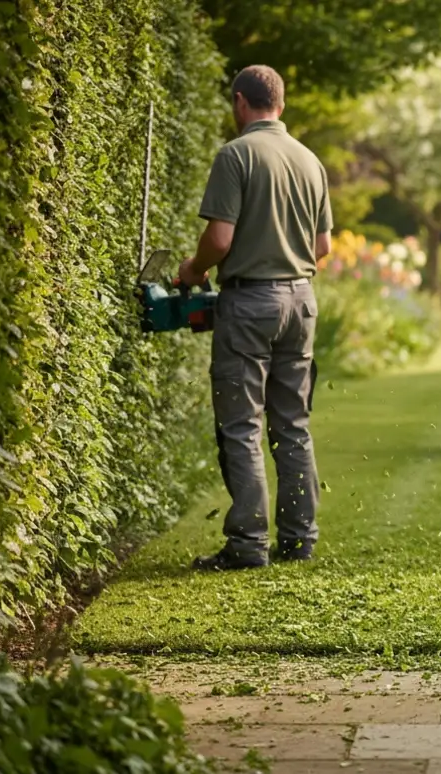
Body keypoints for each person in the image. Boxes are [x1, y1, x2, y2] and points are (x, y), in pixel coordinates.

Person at [180, 64, 332, 571]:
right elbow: (322, 247)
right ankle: (299, 538)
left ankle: (247, 544)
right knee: (292, 424)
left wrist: (194, 269)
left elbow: (220, 239)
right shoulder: (310, 160)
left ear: (241, 102)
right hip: (301, 301)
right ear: (280, 104)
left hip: (249, 303)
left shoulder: (236, 154)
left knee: (242, 425)